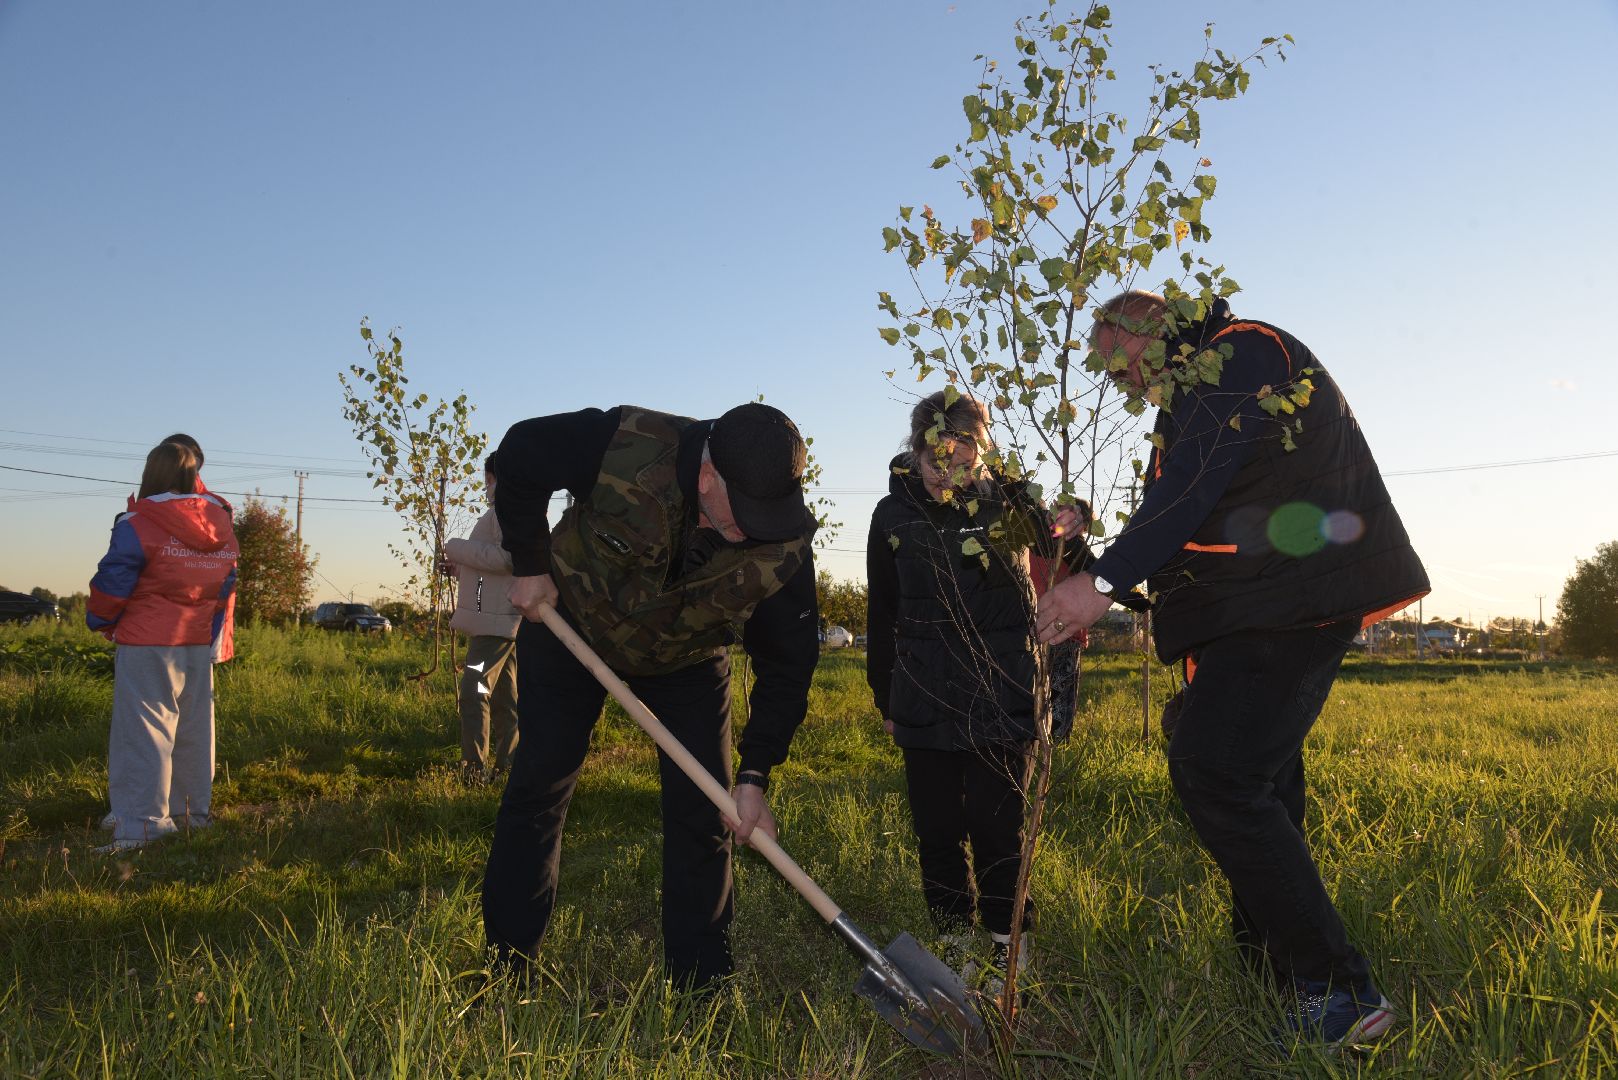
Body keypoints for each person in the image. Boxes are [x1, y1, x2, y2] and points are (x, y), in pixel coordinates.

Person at [1034, 291, 1430, 1047]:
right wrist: (1091, 552)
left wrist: (1103, 585)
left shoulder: (1241, 352)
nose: (1114, 379)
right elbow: (1182, 522)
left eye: (1114, 359)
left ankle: (1341, 993)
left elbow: (1195, 486)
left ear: (1146, 331)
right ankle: (1279, 976)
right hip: (1258, 606)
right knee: (1264, 782)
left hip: (1291, 599)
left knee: (1216, 770)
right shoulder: (1191, 395)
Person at [480, 402, 820, 989]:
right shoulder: (623, 442)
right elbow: (520, 454)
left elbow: (787, 666)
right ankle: (506, 968)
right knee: (539, 787)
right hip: (573, 625)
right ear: (707, 477)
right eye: (743, 517)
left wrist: (755, 775)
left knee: (705, 811)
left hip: (685, 660)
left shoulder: (783, 545)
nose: (752, 531)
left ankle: (700, 987)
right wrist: (531, 564)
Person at [864, 390, 1093, 987]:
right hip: (921, 688)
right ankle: (952, 946)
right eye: (935, 460)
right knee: (936, 829)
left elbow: (1072, 556)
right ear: (914, 453)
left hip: (1000, 684)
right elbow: (883, 611)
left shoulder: (1011, 501)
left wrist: (1077, 516)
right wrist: (885, 697)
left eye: (962, 461)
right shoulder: (892, 516)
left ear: (981, 452)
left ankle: (1007, 947)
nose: (946, 475)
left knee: (997, 826)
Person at [88, 440, 239, 853]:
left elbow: (113, 580)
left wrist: (100, 619)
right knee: (193, 731)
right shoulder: (220, 521)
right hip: (196, 639)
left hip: (147, 639)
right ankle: (191, 814)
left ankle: (141, 826)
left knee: (143, 732)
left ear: (152, 472)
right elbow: (227, 581)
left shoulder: (138, 522)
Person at [442, 452, 520, 782]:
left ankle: (474, 771)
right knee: (505, 700)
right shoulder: (507, 510)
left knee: (474, 690)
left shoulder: (506, 510)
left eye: (488, 480)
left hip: (494, 625)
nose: (486, 486)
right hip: (502, 621)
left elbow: (509, 558)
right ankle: (509, 770)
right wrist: (463, 569)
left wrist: (456, 548)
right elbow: (496, 571)